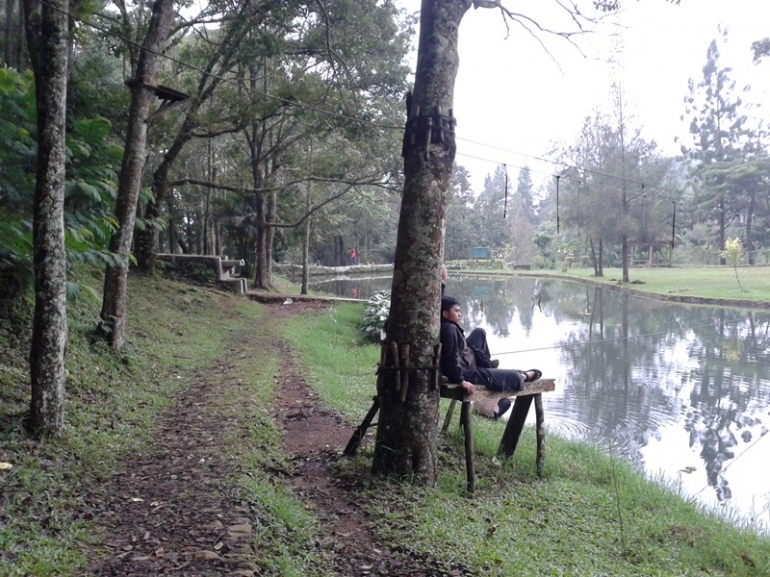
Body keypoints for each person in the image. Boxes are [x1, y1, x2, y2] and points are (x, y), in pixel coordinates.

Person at [440, 295, 542, 395]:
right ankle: (523, 375)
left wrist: (443, 282)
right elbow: (450, 359)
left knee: (479, 332)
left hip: (467, 357)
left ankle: (487, 366)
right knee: (514, 377)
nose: (460, 314)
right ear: (445, 314)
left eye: (460, 311)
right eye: (456, 311)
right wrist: (461, 381)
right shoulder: (450, 330)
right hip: (467, 371)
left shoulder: (448, 326)